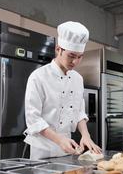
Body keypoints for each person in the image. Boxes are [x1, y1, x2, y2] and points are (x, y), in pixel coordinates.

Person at [24, 21, 101, 160]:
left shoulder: (78, 79)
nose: (75, 62)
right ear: (58, 49)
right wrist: (59, 140)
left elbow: (79, 112)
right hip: (43, 150)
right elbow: (33, 119)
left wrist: (85, 135)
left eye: (80, 57)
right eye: (71, 56)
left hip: (68, 148)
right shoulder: (38, 76)